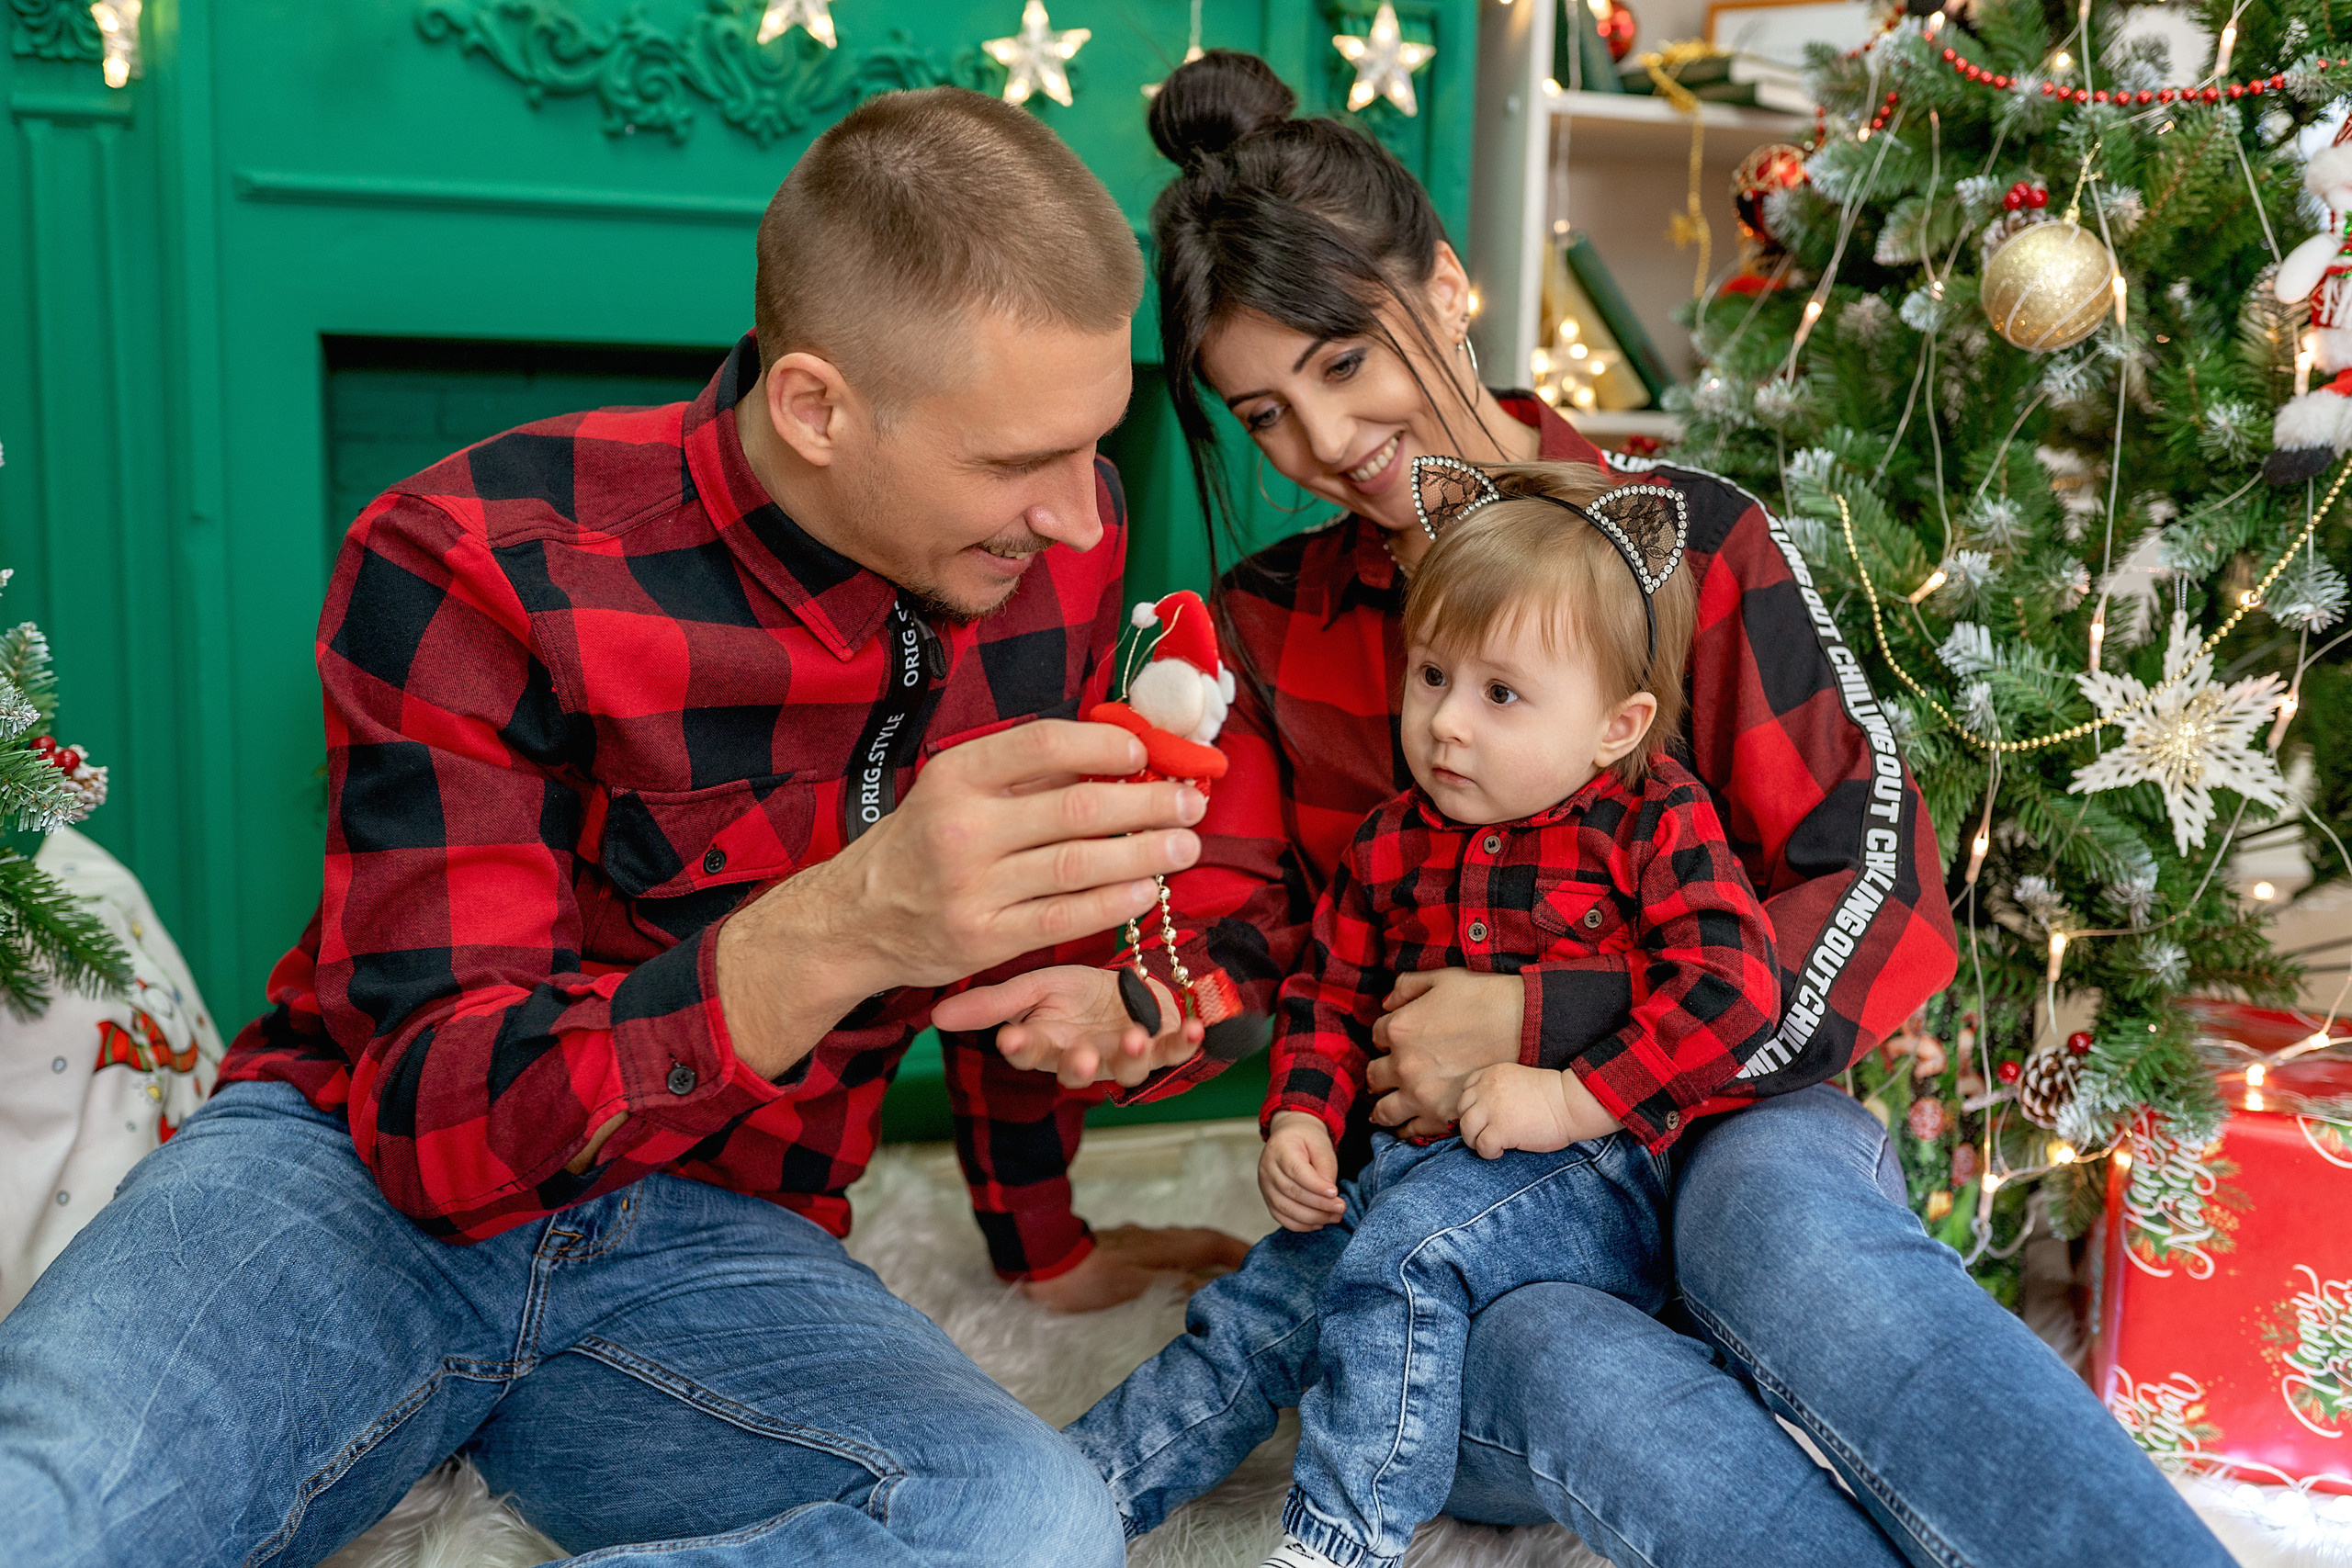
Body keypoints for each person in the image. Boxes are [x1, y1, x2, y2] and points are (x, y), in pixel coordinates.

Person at [944, 49, 2237, 1568]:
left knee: (1799, 1248)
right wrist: (1142, 1009)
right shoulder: (1269, 624)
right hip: (1469, 1216)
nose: (1329, 440)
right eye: (1268, 415)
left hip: (1740, 1118)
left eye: (1346, 359)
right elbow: (1252, 951)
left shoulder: (1691, 538)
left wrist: (1548, 1027)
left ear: (1448, 284)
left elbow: (1870, 892)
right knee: (1572, 1369)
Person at [0, 88, 1218, 1567]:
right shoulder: (468, 553)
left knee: (1030, 1522)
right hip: (350, 1181)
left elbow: (1016, 960)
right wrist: (850, 918)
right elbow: (440, 1122)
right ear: (815, 406)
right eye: (1016, 463)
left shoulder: (1043, 564)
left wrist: (1057, 1211)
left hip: (716, 1238)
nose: (1085, 522)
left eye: (1095, 445)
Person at [1255, 465, 1780, 1568]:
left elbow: (1732, 986)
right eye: (1431, 674)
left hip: (1584, 1177)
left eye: (1500, 695)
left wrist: (1568, 1092)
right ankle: (1089, 1483)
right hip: (1404, 1164)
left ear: (1614, 724)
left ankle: (1338, 1540)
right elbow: (1328, 996)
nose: (1445, 723)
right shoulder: (1391, 841)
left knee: (1402, 1257)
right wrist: (1301, 1114)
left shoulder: (1650, 815)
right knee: (1254, 1308)